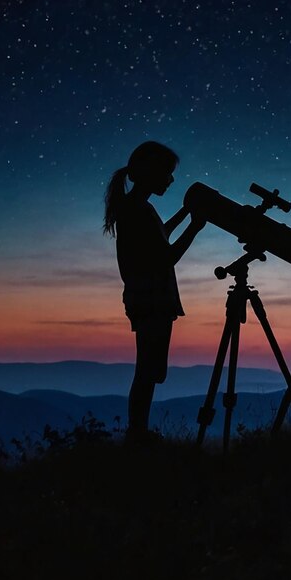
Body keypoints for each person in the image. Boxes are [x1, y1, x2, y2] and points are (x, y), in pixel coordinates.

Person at [103, 141, 205, 444]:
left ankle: (138, 432)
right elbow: (167, 257)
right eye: (167, 173)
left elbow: (161, 234)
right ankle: (138, 435)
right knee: (148, 371)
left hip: (146, 298)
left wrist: (186, 213)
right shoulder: (138, 210)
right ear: (151, 171)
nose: (171, 180)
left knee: (149, 369)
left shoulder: (139, 208)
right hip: (152, 299)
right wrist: (196, 227)